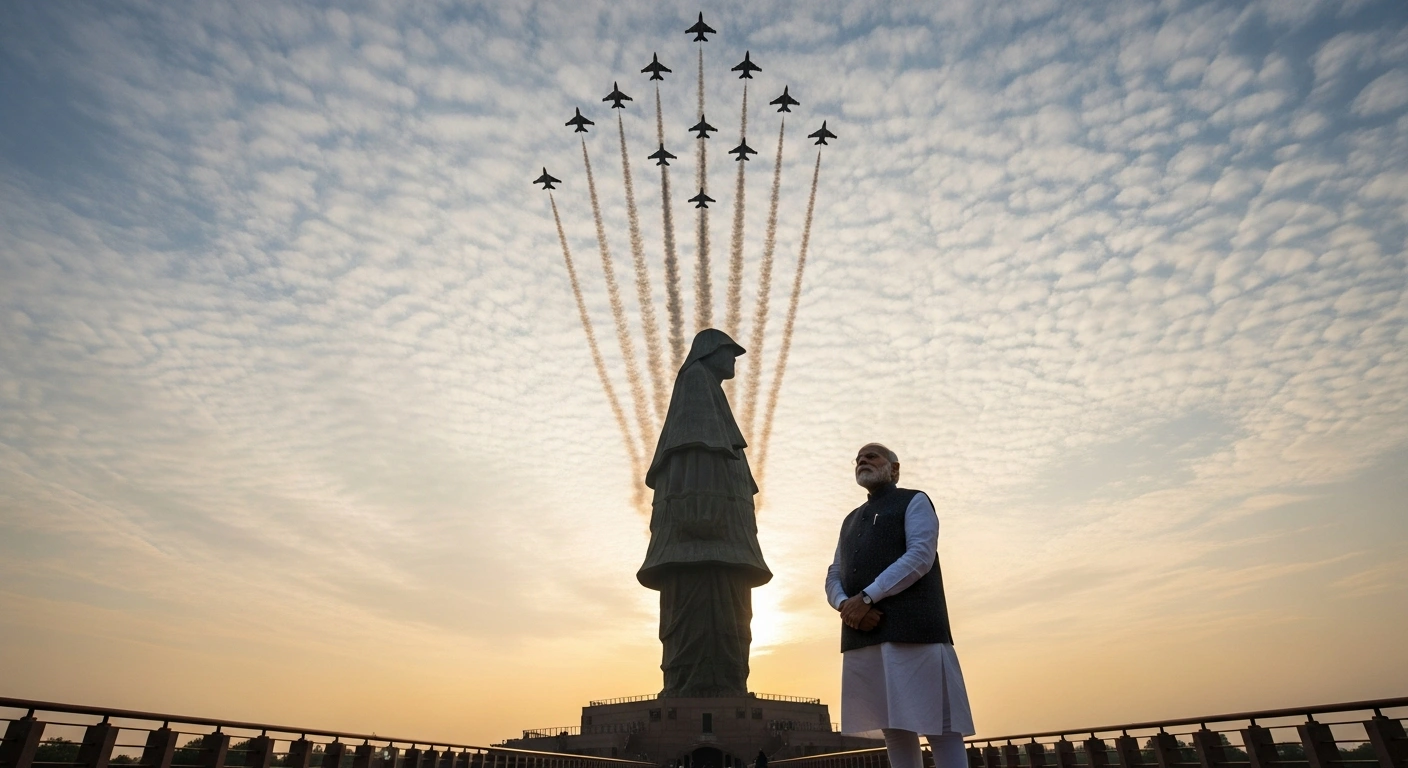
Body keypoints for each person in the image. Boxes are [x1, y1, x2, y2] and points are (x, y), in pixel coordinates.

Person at [638, 328, 772, 697]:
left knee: (729, 624)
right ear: (709, 353)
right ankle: (696, 692)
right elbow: (694, 451)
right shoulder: (697, 383)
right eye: (728, 353)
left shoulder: (708, 390)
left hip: (723, 543)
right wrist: (703, 513)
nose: (733, 361)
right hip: (702, 535)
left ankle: (723, 688)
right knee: (698, 625)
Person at [825, 443, 974, 768]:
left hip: (915, 632)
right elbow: (834, 573)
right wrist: (846, 607)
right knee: (893, 728)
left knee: (942, 727)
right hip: (863, 636)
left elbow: (920, 556)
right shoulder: (850, 520)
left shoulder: (914, 501)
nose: (863, 461)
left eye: (872, 456)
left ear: (894, 469)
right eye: (859, 459)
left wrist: (867, 598)